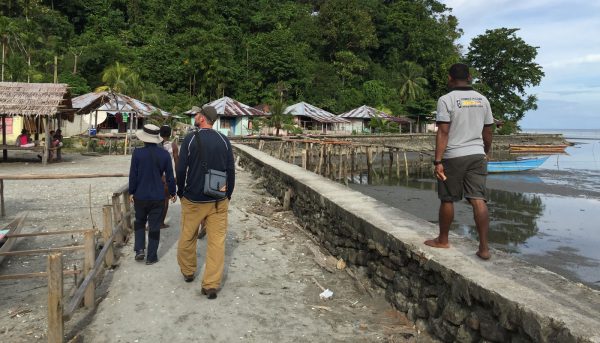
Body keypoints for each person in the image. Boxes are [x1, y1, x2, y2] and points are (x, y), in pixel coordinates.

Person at [425, 63, 494, 260]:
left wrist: (438, 161)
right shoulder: (483, 100)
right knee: (478, 199)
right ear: (470, 77)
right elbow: (488, 131)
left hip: (453, 156)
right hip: (477, 155)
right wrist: (484, 152)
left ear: (450, 78)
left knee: (447, 198)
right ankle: (484, 248)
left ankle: (443, 240)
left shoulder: (446, 100)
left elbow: (444, 131)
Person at [176, 105, 235, 299]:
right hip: (218, 199)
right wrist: (228, 194)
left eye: (197, 114)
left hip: (194, 198)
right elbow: (230, 170)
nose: (195, 116)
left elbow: (181, 168)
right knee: (217, 242)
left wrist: (180, 191)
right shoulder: (224, 140)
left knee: (187, 236)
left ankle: (188, 271)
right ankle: (211, 284)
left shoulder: (191, 139)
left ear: (202, 118)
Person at [129, 124, 177, 265]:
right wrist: (173, 192)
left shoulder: (137, 153)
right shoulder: (164, 155)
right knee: (155, 226)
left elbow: (133, 175)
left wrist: (131, 192)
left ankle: (139, 250)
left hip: (141, 195)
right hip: (158, 195)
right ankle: (151, 256)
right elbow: (169, 176)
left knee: (140, 222)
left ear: (143, 138)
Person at [159, 124, 179, 229]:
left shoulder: (155, 145)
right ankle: (161, 222)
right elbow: (176, 162)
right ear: (170, 134)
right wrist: (177, 177)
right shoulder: (173, 146)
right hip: (167, 177)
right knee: (166, 199)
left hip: (156, 177)